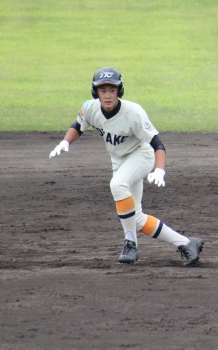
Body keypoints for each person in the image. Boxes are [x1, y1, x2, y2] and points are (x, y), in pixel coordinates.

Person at [49, 67, 203, 266]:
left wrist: (159, 170)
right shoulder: (90, 108)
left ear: (119, 91)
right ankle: (187, 243)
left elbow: (157, 144)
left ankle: (130, 244)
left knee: (117, 185)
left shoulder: (134, 113)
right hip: (119, 161)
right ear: (96, 92)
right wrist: (65, 141)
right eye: (103, 90)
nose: (107, 95)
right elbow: (78, 125)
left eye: (112, 90)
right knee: (136, 218)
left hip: (141, 155)